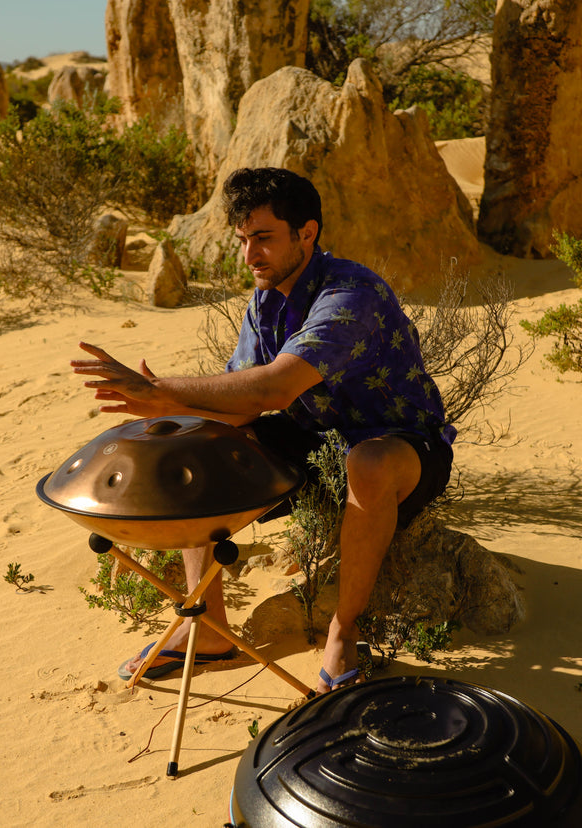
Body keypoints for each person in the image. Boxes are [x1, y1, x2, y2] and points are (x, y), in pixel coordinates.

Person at [70, 167, 455, 694]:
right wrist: (166, 413)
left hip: (402, 450)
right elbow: (239, 407)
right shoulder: (266, 301)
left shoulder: (351, 292)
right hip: (316, 444)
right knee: (196, 444)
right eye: (245, 241)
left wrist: (161, 387)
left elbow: (273, 389)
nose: (251, 256)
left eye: (264, 239)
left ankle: (344, 630)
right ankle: (205, 627)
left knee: (366, 461)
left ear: (307, 233)